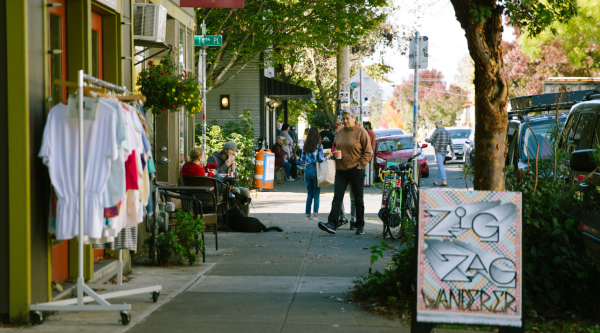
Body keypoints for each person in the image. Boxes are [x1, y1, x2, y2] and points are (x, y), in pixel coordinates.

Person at [318, 108, 373, 236]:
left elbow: (368, 152)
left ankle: (360, 224)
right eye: (343, 119)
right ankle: (332, 224)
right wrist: (333, 154)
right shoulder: (340, 132)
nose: (345, 121)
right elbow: (335, 146)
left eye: (347, 118)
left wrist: (360, 165)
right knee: (337, 197)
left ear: (354, 118)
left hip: (356, 170)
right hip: (341, 170)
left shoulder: (361, 132)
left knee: (358, 199)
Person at [206, 141, 252, 216]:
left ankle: (244, 218)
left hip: (228, 186)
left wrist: (233, 167)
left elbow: (234, 179)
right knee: (236, 191)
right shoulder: (213, 158)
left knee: (245, 191)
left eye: (235, 151)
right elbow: (212, 176)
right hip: (218, 188)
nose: (234, 153)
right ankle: (232, 219)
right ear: (225, 150)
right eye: (232, 150)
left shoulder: (231, 160)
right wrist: (225, 165)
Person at [302, 127, 325, 220]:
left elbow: (302, 159)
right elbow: (320, 159)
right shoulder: (319, 146)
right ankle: (315, 215)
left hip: (307, 170)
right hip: (316, 171)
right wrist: (327, 158)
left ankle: (307, 215)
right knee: (316, 194)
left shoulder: (305, 145)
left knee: (309, 194)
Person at [425, 119, 455, 187]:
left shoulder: (436, 131)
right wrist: (453, 151)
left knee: (441, 166)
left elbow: (431, 140)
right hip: (444, 151)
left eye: (436, 124)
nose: (436, 125)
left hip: (438, 151)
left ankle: (445, 180)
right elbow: (450, 142)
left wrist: (426, 139)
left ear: (437, 124)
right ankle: (437, 181)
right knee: (440, 166)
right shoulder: (447, 132)